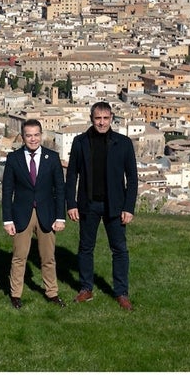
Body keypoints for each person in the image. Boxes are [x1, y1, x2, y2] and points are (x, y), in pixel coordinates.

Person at [65, 101, 138, 311]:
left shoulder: (123, 143)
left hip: (115, 205)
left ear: (111, 119)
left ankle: (121, 293)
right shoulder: (80, 142)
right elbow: (71, 176)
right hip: (88, 204)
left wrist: (128, 208)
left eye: (106, 118)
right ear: (91, 119)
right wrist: (71, 204)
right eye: (98, 118)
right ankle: (86, 288)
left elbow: (132, 179)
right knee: (86, 248)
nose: (102, 122)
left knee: (119, 250)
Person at [1, 119, 66, 309]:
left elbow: (59, 190)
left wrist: (60, 217)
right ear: (22, 137)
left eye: (36, 135)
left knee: (48, 257)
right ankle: (15, 294)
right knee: (19, 256)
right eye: (28, 135)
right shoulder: (14, 159)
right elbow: (7, 191)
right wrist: (7, 219)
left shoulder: (52, 157)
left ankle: (52, 293)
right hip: (22, 214)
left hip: (47, 214)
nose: (33, 139)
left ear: (41, 135)